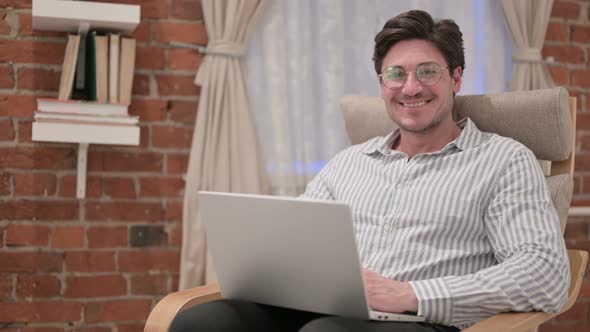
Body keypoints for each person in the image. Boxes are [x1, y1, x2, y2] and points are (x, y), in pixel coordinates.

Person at [170, 9, 569, 332]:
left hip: (424, 320)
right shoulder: (348, 163)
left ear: (456, 78)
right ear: (382, 85)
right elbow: (295, 246)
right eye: (396, 75)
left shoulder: (503, 160)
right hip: (327, 312)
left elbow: (544, 273)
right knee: (201, 321)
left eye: (427, 71)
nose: (410, 88)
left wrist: (412, 294)